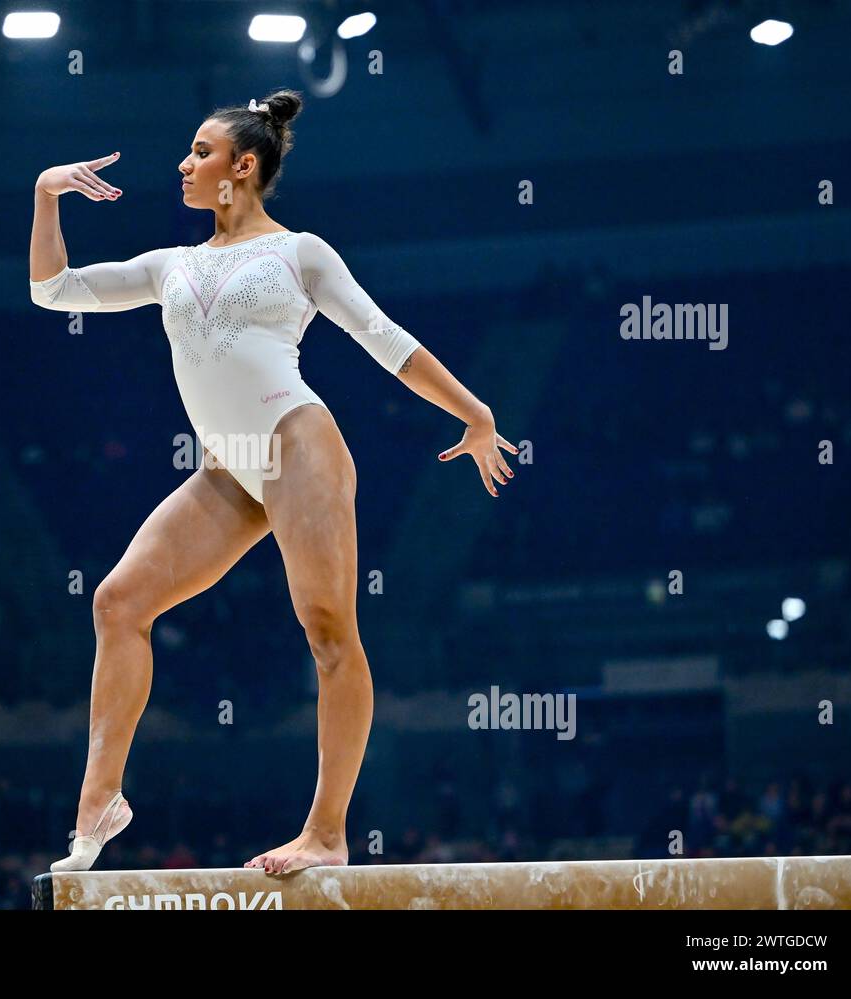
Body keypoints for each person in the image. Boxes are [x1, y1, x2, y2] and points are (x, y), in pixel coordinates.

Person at [29, 88, 517, 875]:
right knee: (118, 602)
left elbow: (384, 338)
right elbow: (53, 290)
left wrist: (475, 410)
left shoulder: (301, 254)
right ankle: (102, 797)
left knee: (328, 634)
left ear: (242, 167)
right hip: (230, 471)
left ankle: (327, 831)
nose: (183, 164)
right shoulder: (170, 265)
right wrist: (46, 195)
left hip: (298, 446)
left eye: (199, 152)